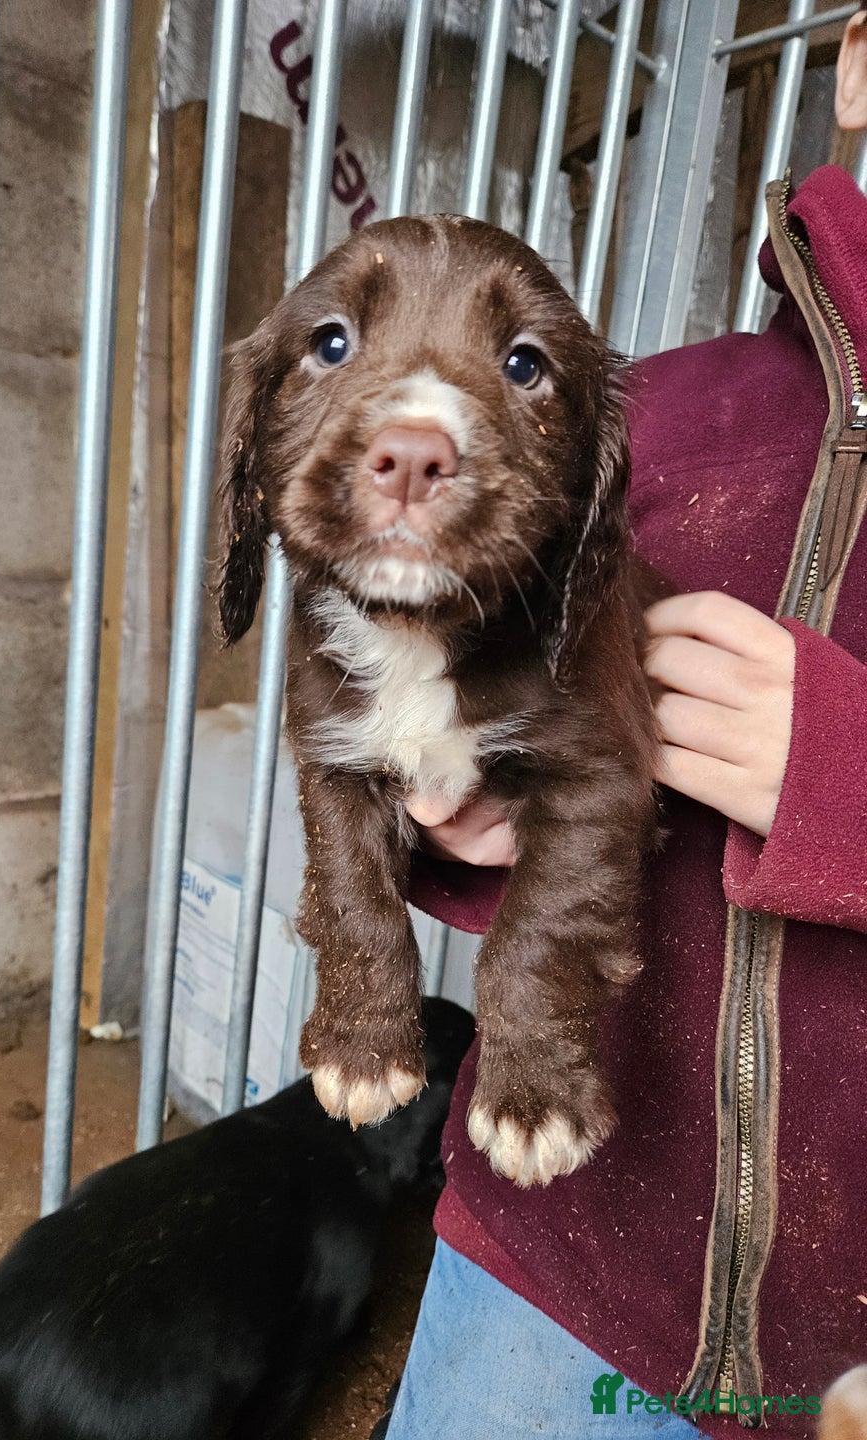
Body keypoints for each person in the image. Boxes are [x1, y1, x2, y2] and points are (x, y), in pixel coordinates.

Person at [376, 13, 867, 1439]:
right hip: (554, 1259)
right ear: (851, 65)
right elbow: (502, 753)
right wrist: (470, 815)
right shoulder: (645, 415)